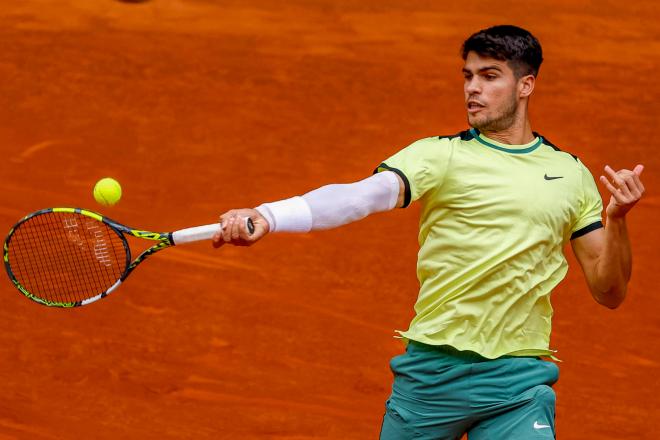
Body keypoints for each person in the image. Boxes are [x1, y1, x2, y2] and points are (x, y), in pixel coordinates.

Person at [212, 25, 645, 439]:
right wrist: (270, 215)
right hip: (431, 374)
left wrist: (618, 219)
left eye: (489, 76)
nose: (472, 88)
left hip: (518, 381)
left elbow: (609, 292)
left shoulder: (569, 173)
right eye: (468, 76)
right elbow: (362, 196)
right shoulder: (440, 156)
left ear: (525, 85)